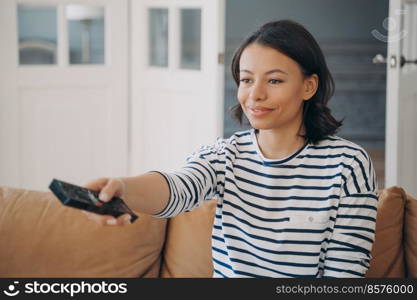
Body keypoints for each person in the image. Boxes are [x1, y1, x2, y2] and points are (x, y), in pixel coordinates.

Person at [83, 20, 378, 278]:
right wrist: (123, 188)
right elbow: (177, 188)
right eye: (247, 79)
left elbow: (344, 273)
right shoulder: (223, 156)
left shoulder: (348, 164)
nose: (255, 94)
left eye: (274, 80)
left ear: (308, 87)